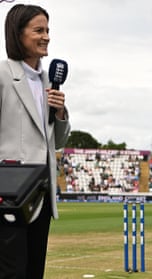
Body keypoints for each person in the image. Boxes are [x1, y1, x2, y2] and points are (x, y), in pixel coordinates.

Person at [0, 4, 71, 279]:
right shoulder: (4, 75)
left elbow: (57, 142)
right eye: (38, 30)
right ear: (18, 35)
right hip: (9, 195)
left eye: (48, 30)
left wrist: (61, 112)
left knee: (33, 272)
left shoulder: (48, 81)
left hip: (40, 195)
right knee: (11, 272)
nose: (46, 37)